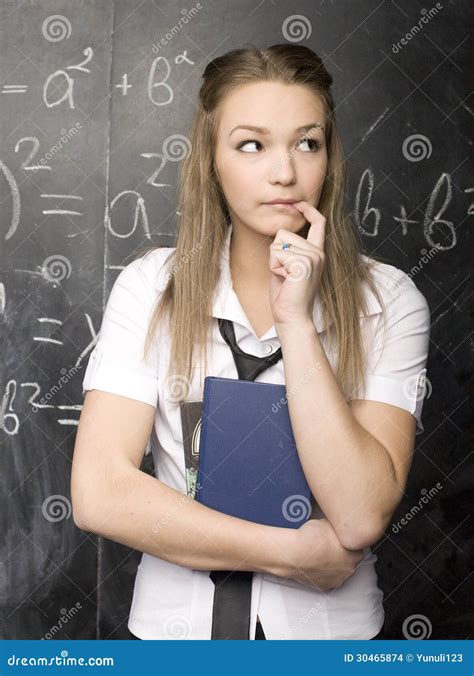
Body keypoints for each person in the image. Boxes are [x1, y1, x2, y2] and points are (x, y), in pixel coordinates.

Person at [71, 44, 430, 640]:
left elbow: (362, 513)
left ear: (329, 158)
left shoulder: (387, 302)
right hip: (172, 640)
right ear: (212, 159)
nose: (284, 172)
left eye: (307, 143)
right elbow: (99, 493)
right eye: (252, 144)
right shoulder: (152, 286)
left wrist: (297, 322)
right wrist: (287, 553)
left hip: (329, 643)